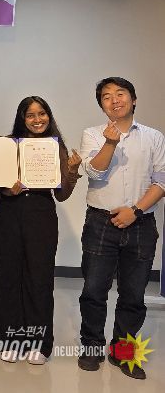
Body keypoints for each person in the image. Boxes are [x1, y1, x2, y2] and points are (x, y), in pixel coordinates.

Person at [76, 77, 164, 380]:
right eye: (106, 96)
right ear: (101, 105)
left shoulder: (154, 137)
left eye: (120, 93)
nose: (114, 100)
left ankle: (123, 354)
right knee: (93, 291)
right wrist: (110, 143)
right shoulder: (92, 134)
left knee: (133, 295)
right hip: (100, 223)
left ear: (133, 99)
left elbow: (162, 181)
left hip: (141, 223)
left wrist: (134, 211)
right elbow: (94, 172)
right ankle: (92, 347)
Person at [0, 96, 82, 365]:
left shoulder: (56, 147)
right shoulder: (8, 144)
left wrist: (72, 171)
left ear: (48, 116)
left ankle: (39, 343)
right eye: (30, 115)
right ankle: (8, 340)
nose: (37, 119)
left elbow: (62, 195)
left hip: (41, 216)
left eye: (42, 113)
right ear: (22, 118)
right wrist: (7, 189)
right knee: (7, 277)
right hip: (8, 214)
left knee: (39, 279)